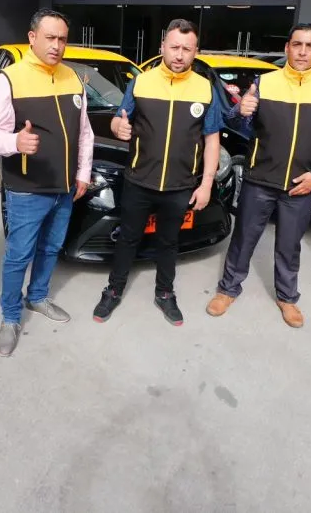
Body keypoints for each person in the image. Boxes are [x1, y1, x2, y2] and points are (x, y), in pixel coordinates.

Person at [206, 23, 311, 327]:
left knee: (289, 244)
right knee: (243, 238)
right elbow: (238, 125)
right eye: (297, 44)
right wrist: (240, 111)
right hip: (259, 180)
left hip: (302, 185)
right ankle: (228, 289)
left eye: (310, 46)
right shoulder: (265, 83)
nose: (302, 51)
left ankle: (287, 297)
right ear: (287, 48)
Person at [92, 19, 225, 326]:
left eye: (187, 49)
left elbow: (212, 139)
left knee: (169, 242)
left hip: (180, 185)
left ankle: (164, 293)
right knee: (128, 238)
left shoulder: (204, 88)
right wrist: (118, 126)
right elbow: (119, 118)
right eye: (174, 47)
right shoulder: (141, 82)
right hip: (139, 180)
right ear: (162, 46)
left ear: (196, 52)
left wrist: (206, 184)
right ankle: (114, 289)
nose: (179, 55)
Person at [0, 9, 93, 356]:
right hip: (27, 189)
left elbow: (85, 132)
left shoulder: (73, 78)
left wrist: (82, 173)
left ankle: (38, 296)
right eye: (50, 38)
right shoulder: (8, 80)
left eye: (62, 39)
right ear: (32, 37)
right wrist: (16, 142)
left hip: (65, 188)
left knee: (50, 248)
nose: (57, 45)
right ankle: (9, 316)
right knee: (19, 255)